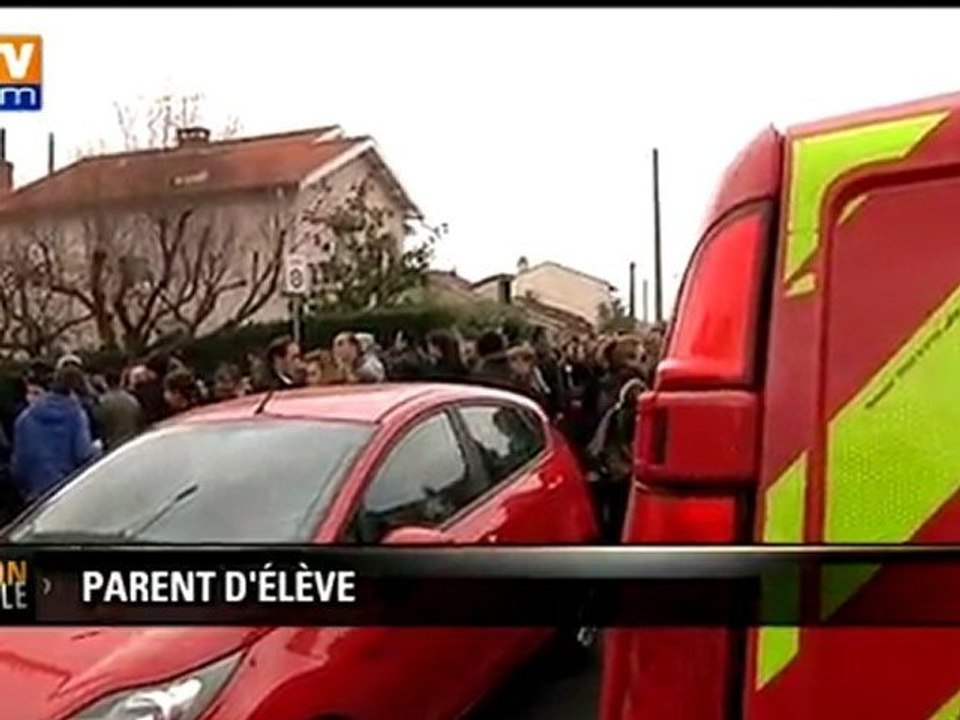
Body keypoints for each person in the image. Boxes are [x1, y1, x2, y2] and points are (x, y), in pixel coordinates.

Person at [11, 364, 100, 504]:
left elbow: (18, 464)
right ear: (73, 392)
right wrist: (98, 449)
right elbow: (83, 454)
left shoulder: (25, 417)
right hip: (67, 490)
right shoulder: (76, 415)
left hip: (35, 495)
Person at [94, 367, 144, 452]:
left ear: (105, 383)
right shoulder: (132, 400)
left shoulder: (101, 403)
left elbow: (98, 426)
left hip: (113, 448)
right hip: (133, 444)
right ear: (121, 381)